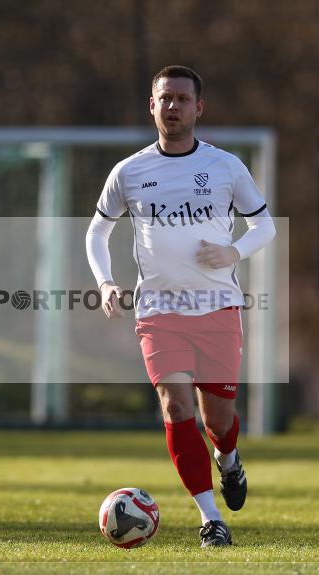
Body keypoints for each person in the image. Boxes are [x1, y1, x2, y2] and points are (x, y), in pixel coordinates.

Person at [85, 65, 276, 547]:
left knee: (219, 420)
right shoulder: (129, 172)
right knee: (175, 407)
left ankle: (229, 461)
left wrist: (234, 251)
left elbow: (265, 226)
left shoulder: (226, 166)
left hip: (217, 307)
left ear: (198, 107)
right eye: (164, 98)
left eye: (181, 99)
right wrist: (106, 282)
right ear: (152, 106)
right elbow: (97, 232)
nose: (172, 106)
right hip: (159, 312)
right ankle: (211, 518)